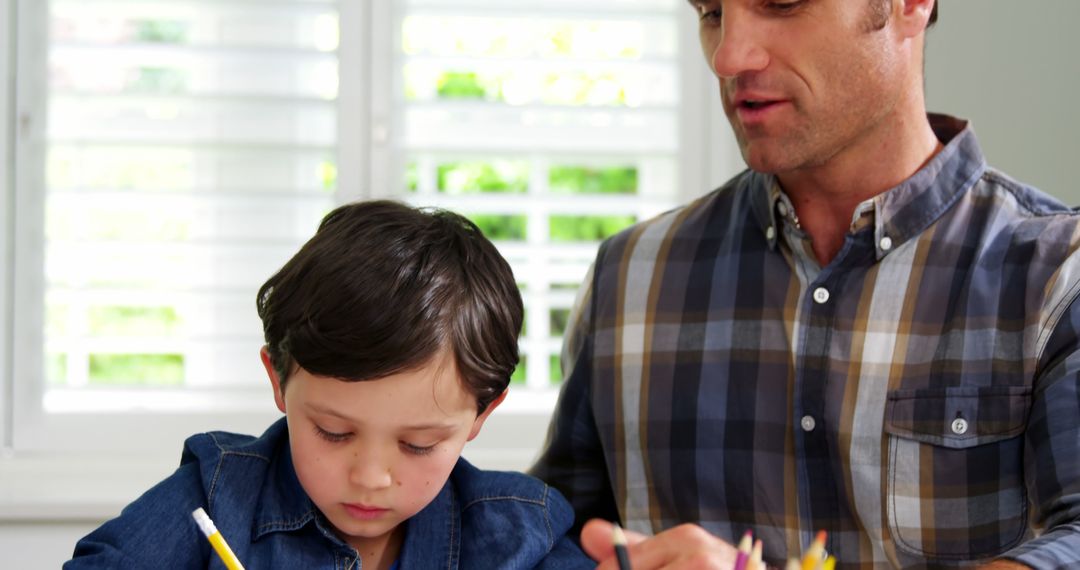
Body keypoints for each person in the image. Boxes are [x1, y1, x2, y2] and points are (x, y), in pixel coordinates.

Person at [531, 0, 1080, 568]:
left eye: (781, 4)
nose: (728, 57)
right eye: (712, 12)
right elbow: (548, 539)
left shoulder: (1058, 276)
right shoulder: (629, 278)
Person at [66, 200, 593, 569]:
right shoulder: (215, 497)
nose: (370, 477)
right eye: (334, 432)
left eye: (419, 444)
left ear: (482, 414)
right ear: (278, 379)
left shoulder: (522, 536)